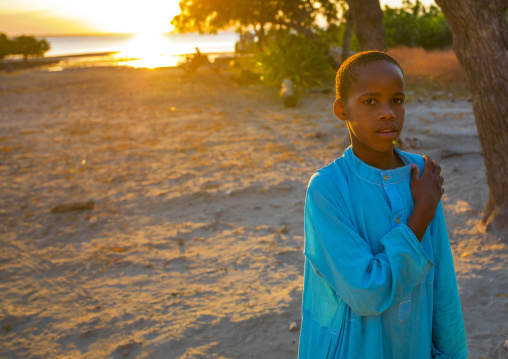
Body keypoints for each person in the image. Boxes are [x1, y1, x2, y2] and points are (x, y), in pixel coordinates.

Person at [298, 51, 467, 359]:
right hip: (352, 348)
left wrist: (452, 354)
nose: (388, 112)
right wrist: (420, 216)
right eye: (370, 101)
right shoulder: (327, 189)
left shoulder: (421, 174)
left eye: (397, 100)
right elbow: (366, 292)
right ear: (341, 109)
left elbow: (443, 285)